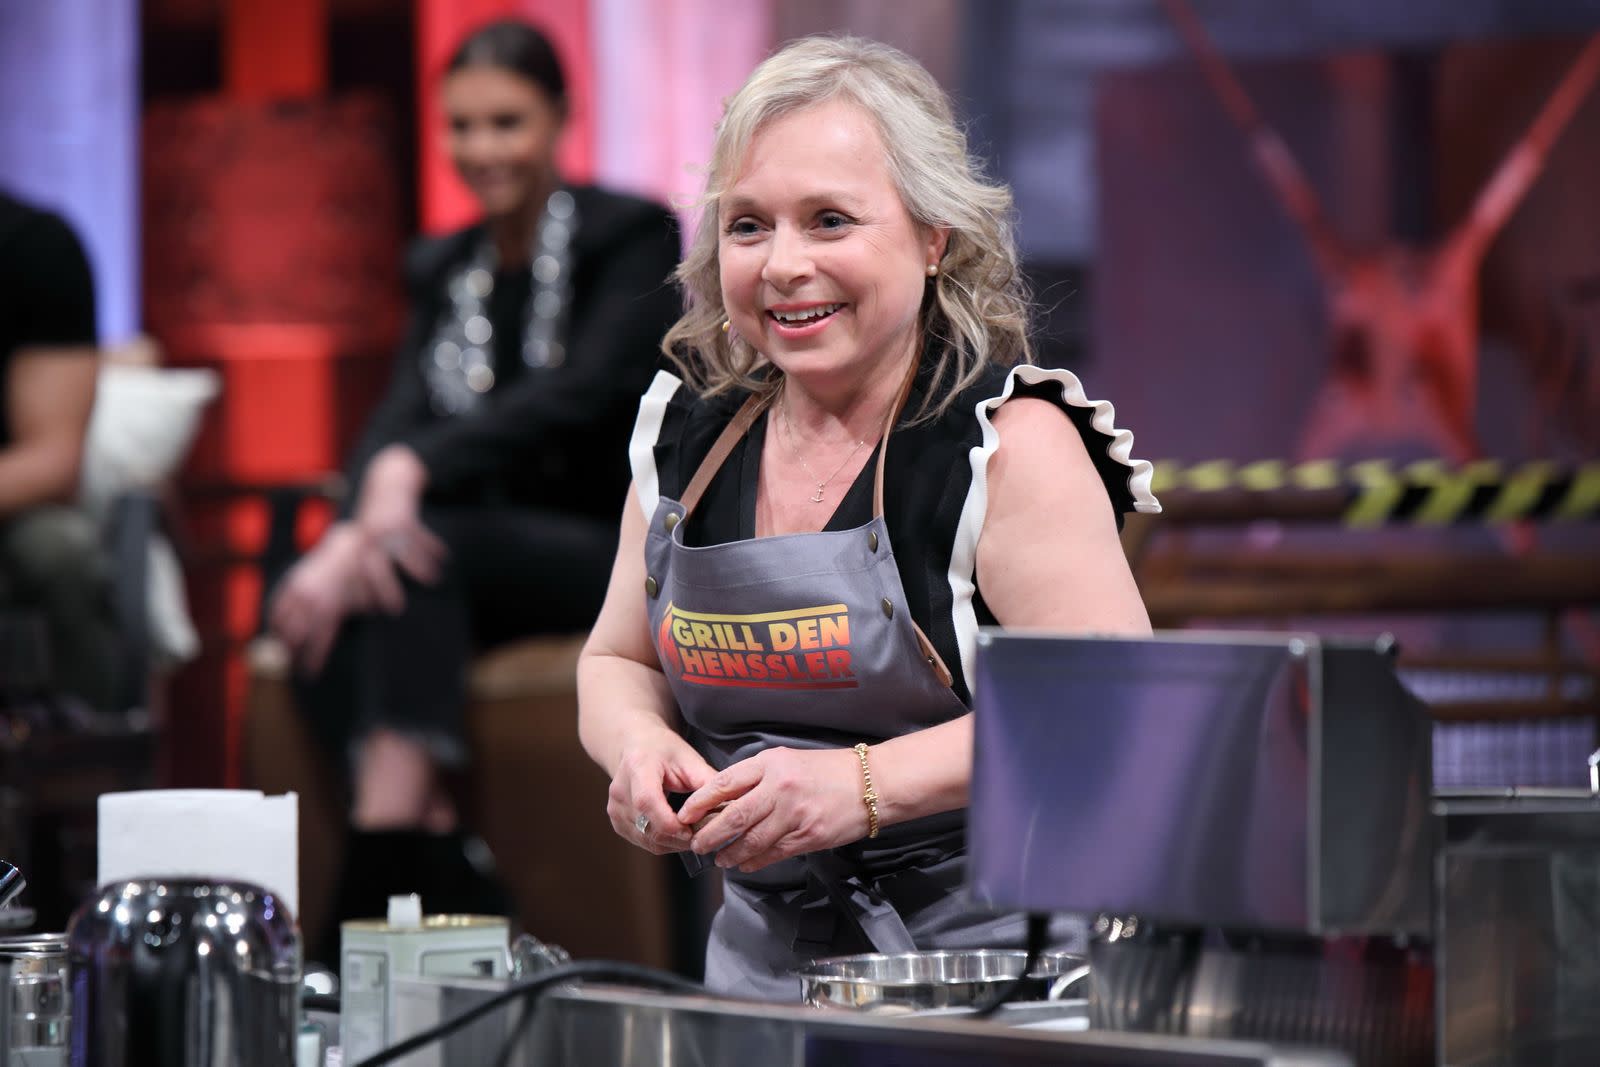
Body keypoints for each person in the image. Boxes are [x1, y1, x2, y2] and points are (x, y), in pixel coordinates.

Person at [576, 35, 1161, 999]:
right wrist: (636, 746)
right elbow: (615, 661)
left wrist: (861, 788)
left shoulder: (1007, 445)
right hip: (760, 981)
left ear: (934, 238)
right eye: (749, 226)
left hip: (1000, 978)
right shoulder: (686, 438)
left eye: (830, 221)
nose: (784, 264)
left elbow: (1113, 706)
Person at [266, 19, 681, 924]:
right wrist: (349, 532)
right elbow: (396, 413)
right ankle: (428, 832)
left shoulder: (630, 236)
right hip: (469, 554)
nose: (482, 148)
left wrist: (413, 467)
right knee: (314, 580)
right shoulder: (444, 265)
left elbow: (583, 393)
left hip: (602, 548)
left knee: (421, 552)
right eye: (462, 125)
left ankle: (385, 852)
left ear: (560, 117)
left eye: (506, 122)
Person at [0, 189, 122, 714]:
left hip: (10, 511)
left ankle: (80, 744)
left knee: (62, 550)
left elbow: (52, 461)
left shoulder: (33, 245)